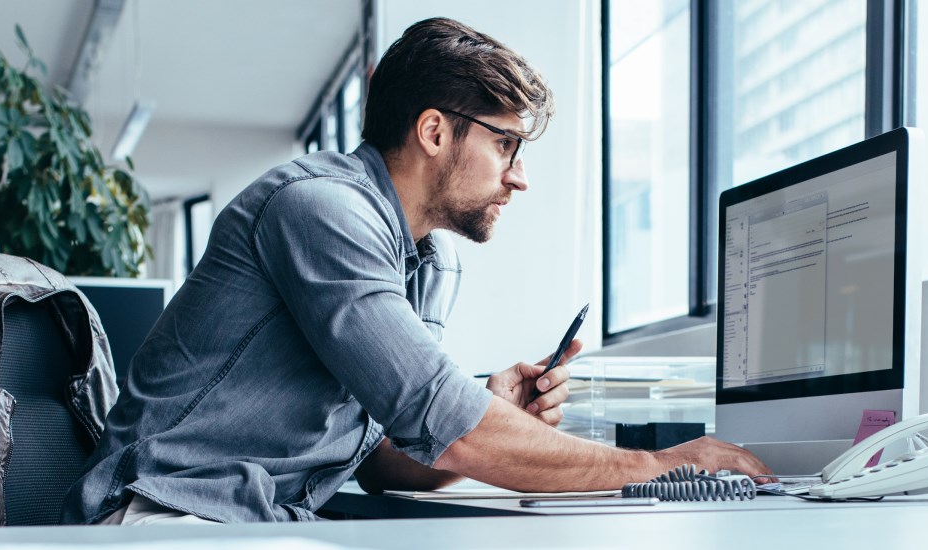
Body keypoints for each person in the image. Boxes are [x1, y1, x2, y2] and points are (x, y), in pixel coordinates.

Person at [64, 17, 772, 526]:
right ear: (435, 131)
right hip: (165, 516)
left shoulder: (430, 258)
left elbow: (378, 460)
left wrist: (493, 408)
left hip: (262, 522)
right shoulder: (319, 211)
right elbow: (449, 423)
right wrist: (658, 469)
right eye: (506, 145)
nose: (519, 177)